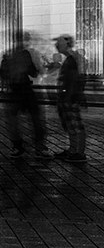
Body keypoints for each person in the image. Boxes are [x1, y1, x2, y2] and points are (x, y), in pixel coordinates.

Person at [0, 30, 50, 158]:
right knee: (36, 118)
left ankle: (17, 146)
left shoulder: (7, 55)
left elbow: (2, 74)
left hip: (13, 91)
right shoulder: (26, 53)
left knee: (13, 121)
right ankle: (39, 147)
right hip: (25, 89)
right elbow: (33, 73)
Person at [53, 34, 87, 163]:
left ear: (66, 44)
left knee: (74, 124)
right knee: (71, 124)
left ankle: (78, 152)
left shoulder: (71, 59)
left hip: (69, 97)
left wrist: (68, 96)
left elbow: (73, 80)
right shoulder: (70, 59)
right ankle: (74, 150)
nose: (56, 46)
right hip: (69, 96)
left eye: (59, 43)